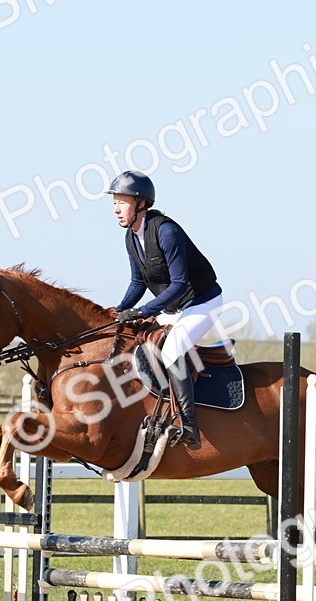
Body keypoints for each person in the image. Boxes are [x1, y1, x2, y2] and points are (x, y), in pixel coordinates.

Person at [108, 170, 223, 449]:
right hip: (173, 307)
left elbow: (180, 283)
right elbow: (138, 282)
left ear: (141, 204)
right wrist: (120, 309)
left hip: (201, 302)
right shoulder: (131, 237)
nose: (115, 209)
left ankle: (189, 424)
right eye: (114, 203)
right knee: (137, 341)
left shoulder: (166, 231)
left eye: (121, 202)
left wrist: (143, 310)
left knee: (171, 350)